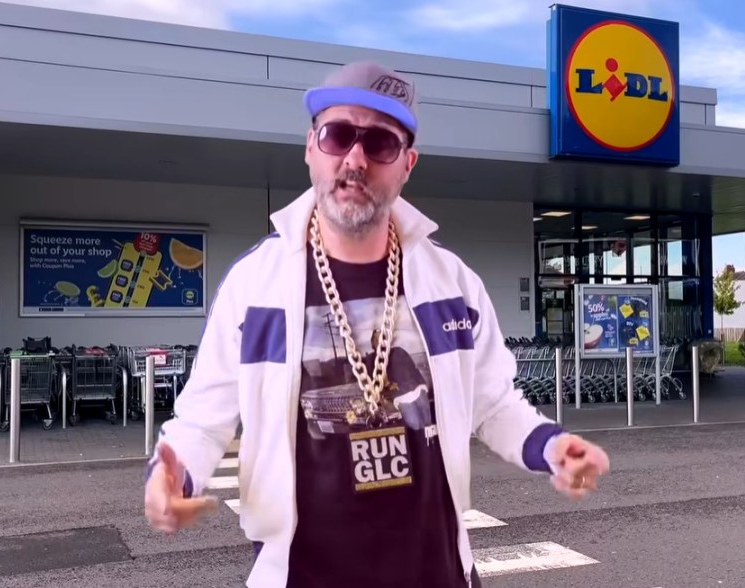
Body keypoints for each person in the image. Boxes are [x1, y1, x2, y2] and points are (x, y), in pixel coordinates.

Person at [143, 61, 611, 587]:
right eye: (337, 135)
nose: (355, 159)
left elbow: (494, 404)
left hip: (438, 574)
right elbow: (204, 420)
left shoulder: (451, 283)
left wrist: (550, 447)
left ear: (407, 163)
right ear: (310, 149)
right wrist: (171, 475)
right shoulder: (256, 286)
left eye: (380, 144)